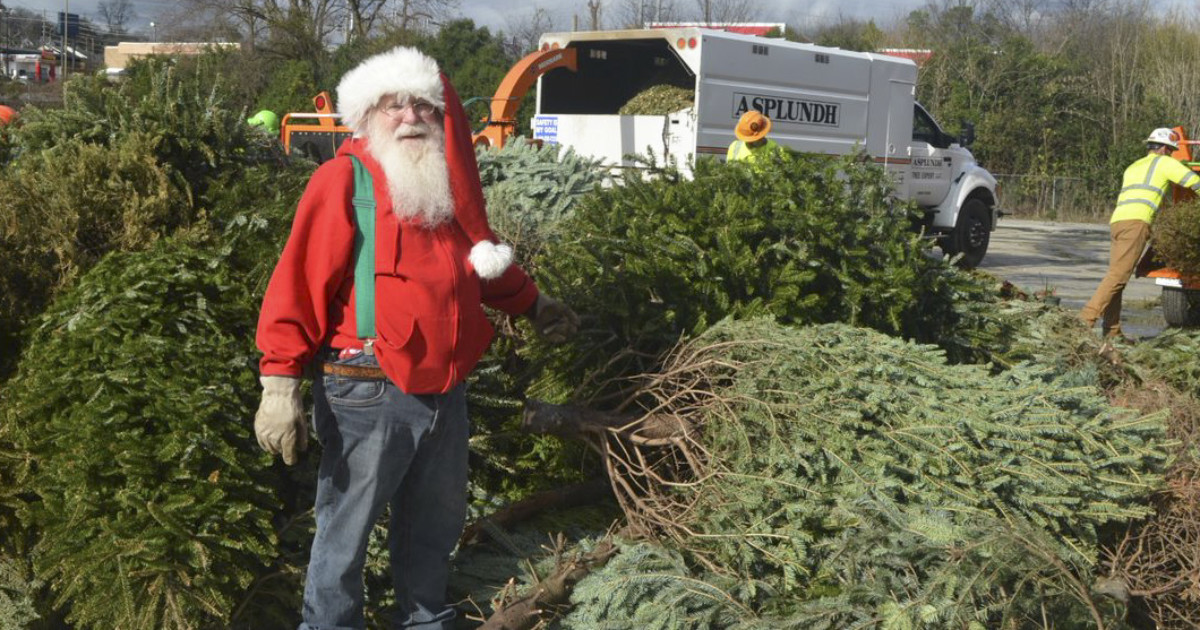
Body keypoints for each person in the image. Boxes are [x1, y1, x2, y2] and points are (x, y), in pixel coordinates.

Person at [253, 46, 580, 630]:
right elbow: (296, 285)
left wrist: (534, 304)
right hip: (366, 387)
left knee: (433, 525)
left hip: (446, 391)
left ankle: (426, 621)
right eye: (391, 106)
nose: (409, 117)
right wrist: (279, 385)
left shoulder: (445, 187)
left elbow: (480, 263)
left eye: (423, 105)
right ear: (366, 117)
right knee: (346, 530)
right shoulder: (344, 180)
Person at [1080, 127, 1200, 339]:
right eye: (1171, 150)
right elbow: (1194, 182)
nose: (1171, 154)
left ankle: (1112, 332)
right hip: (1136, 223)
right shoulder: (1164, 163)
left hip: (1118, 222)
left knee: (1117, 276)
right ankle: (1083, 322)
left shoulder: (1133, 166)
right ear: (1164, 148)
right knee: (1117, 276)